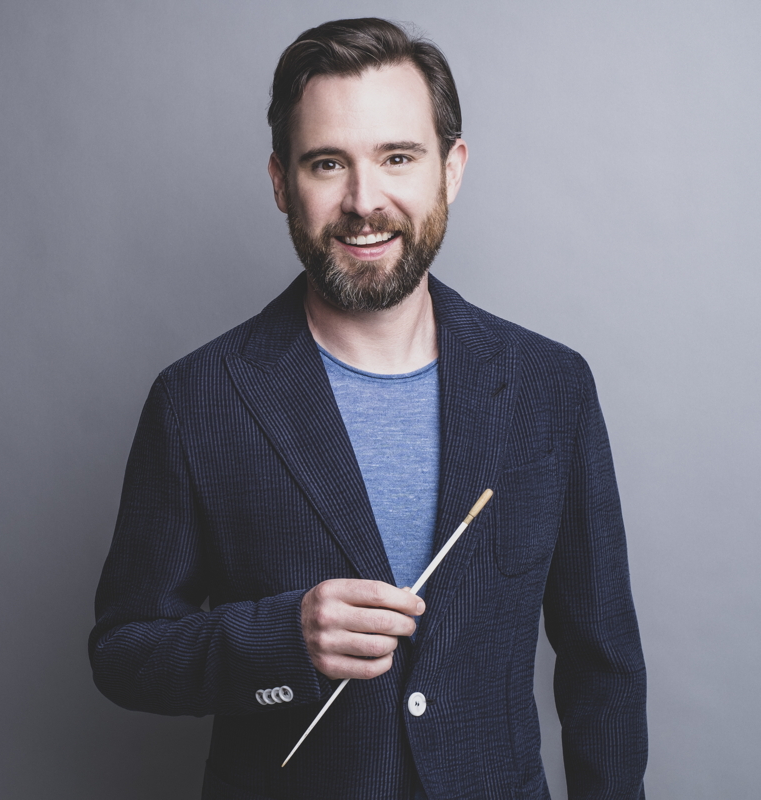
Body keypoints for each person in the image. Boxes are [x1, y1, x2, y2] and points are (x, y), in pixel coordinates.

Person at [89, 18, 646, 800]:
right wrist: (280, 637)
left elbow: (605, 665)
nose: (364, 201)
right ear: (283, 181)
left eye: (397, 157)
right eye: (327, 163)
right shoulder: (196, 401)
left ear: (450, 169)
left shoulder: (552, 387)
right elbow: (124, 652)